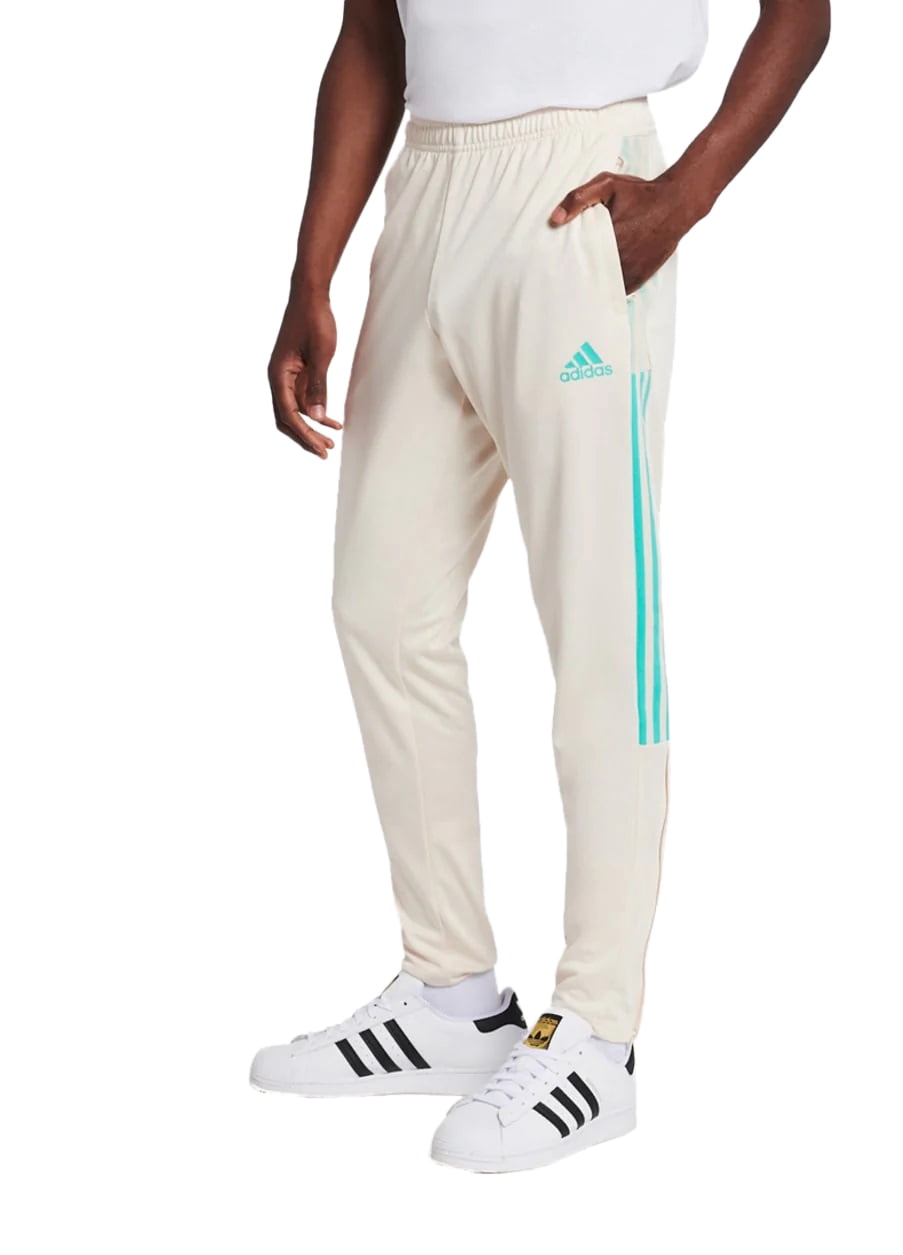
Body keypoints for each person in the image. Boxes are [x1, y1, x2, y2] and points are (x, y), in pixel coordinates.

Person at [254, 0, 830, 1173]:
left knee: (599, 618)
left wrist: (687, 194)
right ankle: (452, 995)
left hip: (580, 189)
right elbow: (371, 33)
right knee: (382, 606)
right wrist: (312, 270)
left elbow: (803, 13)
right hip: (427, 190)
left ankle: (598, 1034)